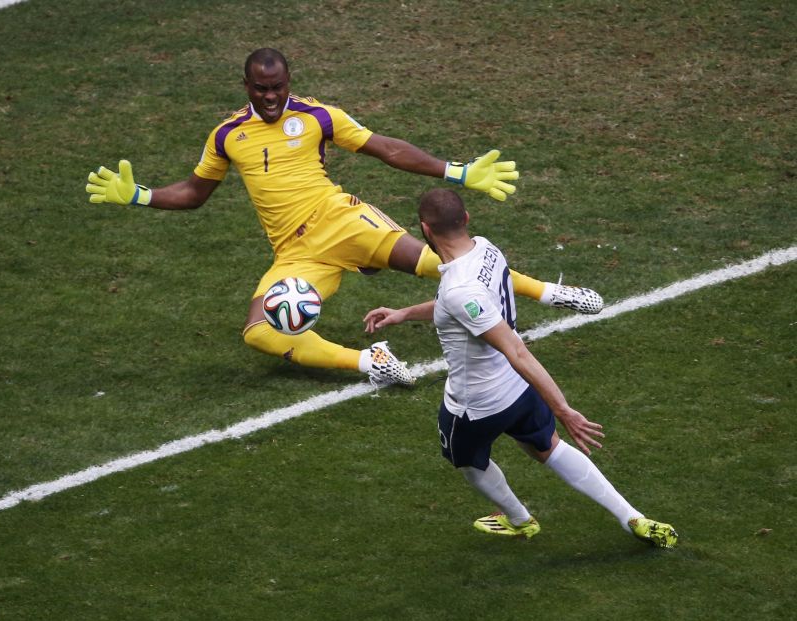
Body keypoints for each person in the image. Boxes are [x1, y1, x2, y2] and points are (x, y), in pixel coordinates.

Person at [86, 47, 603, 387]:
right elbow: (196, 192)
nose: (271, 98)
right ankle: (369, 362)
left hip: (341, 220)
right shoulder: (227, 135)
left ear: (289, 82)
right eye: (261, 89)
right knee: (259, 333)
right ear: (245, 85)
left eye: (278, 88)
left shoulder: (317, 116)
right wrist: (140, 196)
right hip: (295, 252)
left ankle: (551, 293)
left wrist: (457, 171)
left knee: (440, 265)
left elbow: (385, 148)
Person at [363, 188, 677, 547]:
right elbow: (461, 305)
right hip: (518, 391)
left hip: (474, 405)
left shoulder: (457, 289)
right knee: (549, 448)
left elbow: (515, 348)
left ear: (425, 229)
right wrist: (404, 313)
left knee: (466, 462)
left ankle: (519, 519)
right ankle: (631, 516)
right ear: (465, 219)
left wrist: (564, 410)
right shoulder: (486, 249)